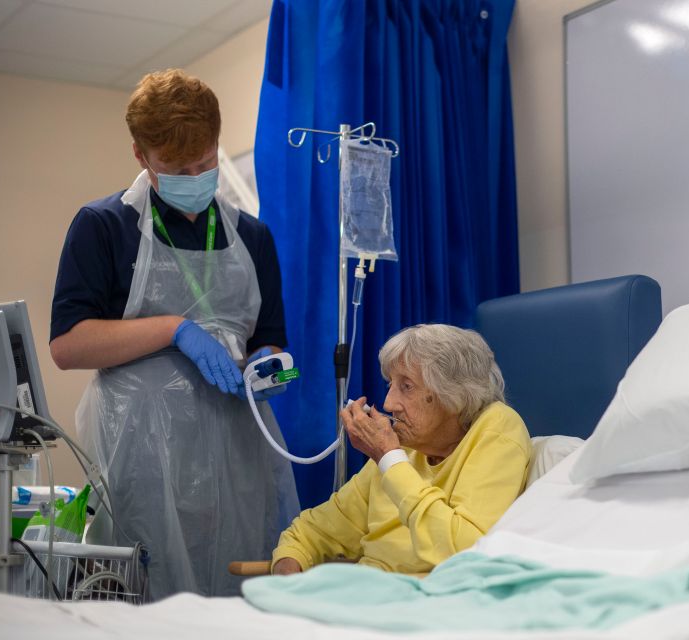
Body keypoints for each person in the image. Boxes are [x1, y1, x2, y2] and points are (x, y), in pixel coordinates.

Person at [49, 69, 299, 599]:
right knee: (149, 591)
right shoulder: (104, 226)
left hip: (239, 455)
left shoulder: (252, 237)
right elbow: (68, 345)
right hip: (144, 455)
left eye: (205, 163)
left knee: (239, 586)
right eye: (175, 167)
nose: (195, 175)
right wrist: (173, 329)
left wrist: (270, 368)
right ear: (141, 156)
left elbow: (271, 341)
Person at [271, 324, 532, 576]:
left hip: (428, 603)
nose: (388, 402)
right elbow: (312, 532)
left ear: (453, 394)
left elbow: (463, 550)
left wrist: (389, 458)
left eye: (406, 386)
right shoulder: (402, 449)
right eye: (390, 385)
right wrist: (288, 575)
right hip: (365, 595)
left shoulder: (496, 428)